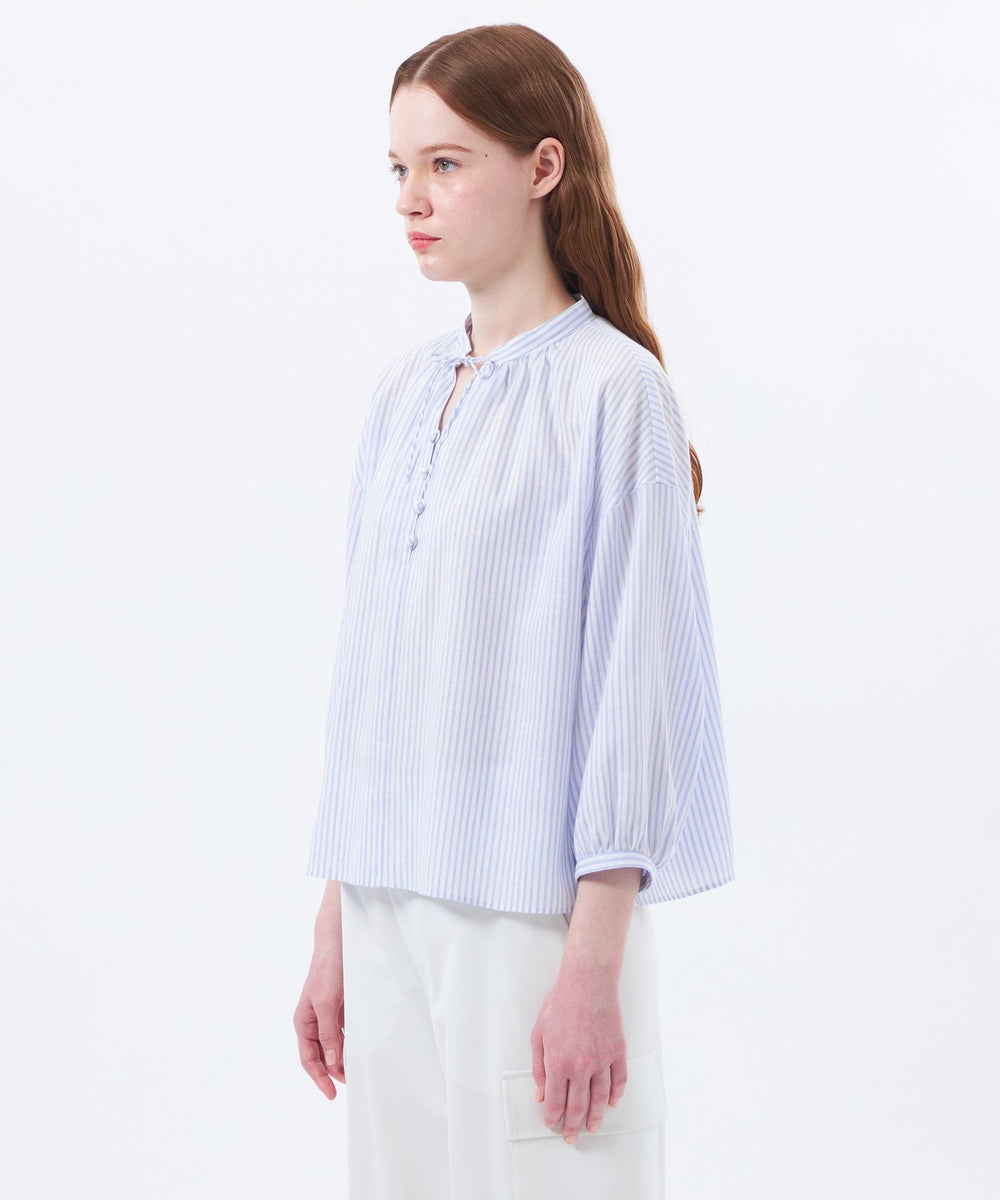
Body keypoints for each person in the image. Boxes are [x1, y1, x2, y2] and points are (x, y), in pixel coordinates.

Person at [293, 22, 734, 1200]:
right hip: (385, 910)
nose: (410, 199)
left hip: (529, 923)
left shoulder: (614, 394)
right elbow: (371, 677)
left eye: (446, 164)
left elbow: (636, 694)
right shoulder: (402, 395)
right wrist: (336, 924)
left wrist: (591, 967)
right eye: (399, 167)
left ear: (543, 167)